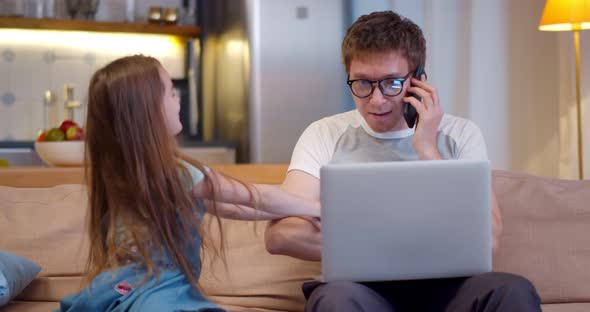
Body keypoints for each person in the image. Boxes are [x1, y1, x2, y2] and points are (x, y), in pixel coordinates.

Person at [265, 11, 542, 312]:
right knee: (335, 299)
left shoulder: (461, 134)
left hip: (451, 289)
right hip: (359, 290)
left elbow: (487, 241)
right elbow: (281, 234)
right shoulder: (324, 134)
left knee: (512, 290)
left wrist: (427, 149)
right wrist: (401, 242)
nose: (376, 100)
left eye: (392, 83)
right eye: (363, 83)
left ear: (419, 81)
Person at [56, 55, 319, 312]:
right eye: (171, 92)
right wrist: (317, 206)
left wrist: (299, 210)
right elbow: (252, 196)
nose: (178, 98)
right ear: (148, 110)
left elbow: (238, 209)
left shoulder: (125, 176)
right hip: (157, 290)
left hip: (114, 289)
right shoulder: (179, 175)